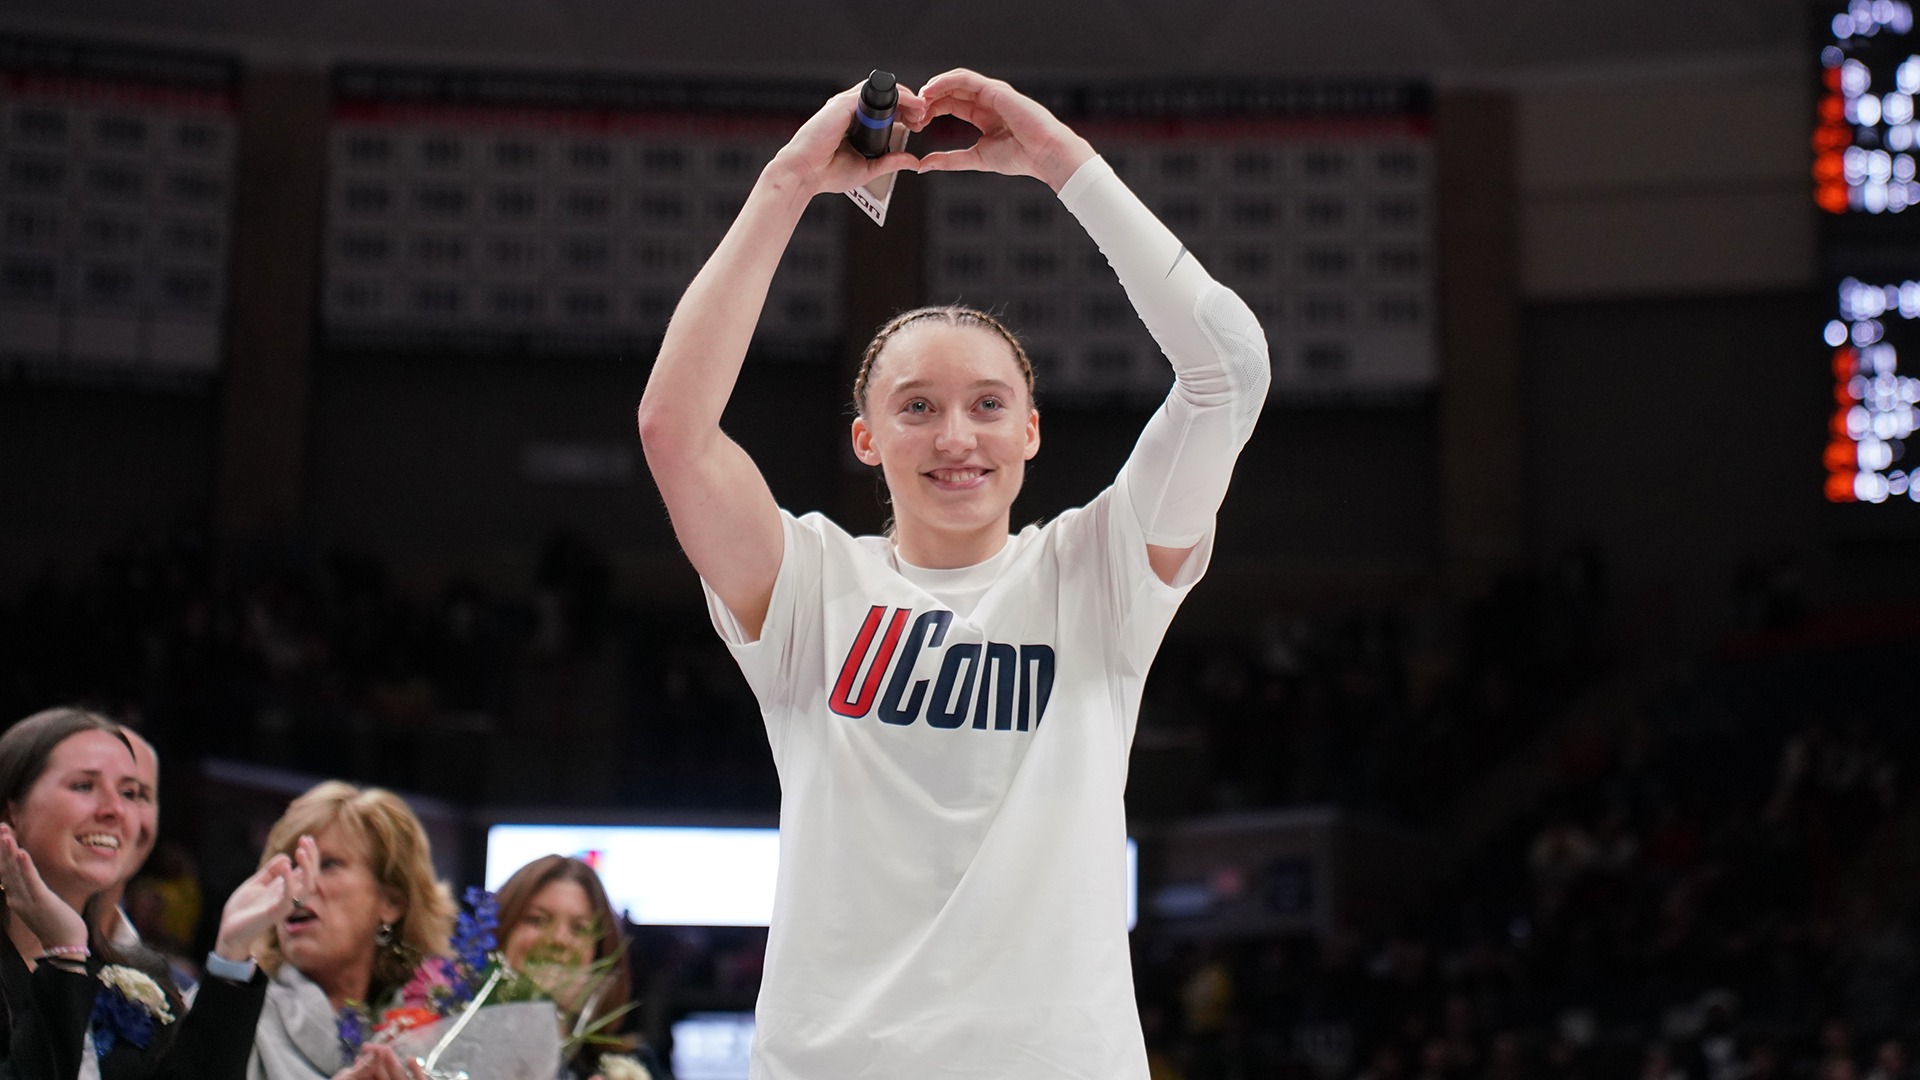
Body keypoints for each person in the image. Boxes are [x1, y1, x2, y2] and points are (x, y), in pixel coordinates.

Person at [635, 69, 1268, 1077]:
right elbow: (674, 430)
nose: (955, 435)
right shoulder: (807, 585)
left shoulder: (1096, 571)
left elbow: (1230, 370)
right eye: (917, 406)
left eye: (986, 404)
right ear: (866, 438)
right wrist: (789, 183)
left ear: (1030, 429)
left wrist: (1065, 164)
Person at [0, 707, 299, 1080]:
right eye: (83, 786)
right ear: (11, 809)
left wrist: (232, 954)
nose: (116, 811)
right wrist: (64, 958)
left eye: (130, 792)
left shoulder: (139, 972)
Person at [247, 783, 455, 1080]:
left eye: (328, 864)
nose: (300, 885)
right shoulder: (228, 1014)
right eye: (290, 865)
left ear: (391, 903)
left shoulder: (439, 1032)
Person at [493, 856, 656, 1080]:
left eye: (579, 929)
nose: (559, 939)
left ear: (599, 952)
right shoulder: (450, 1044)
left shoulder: (630, 1069)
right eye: (537, 920)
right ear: (500, 931)